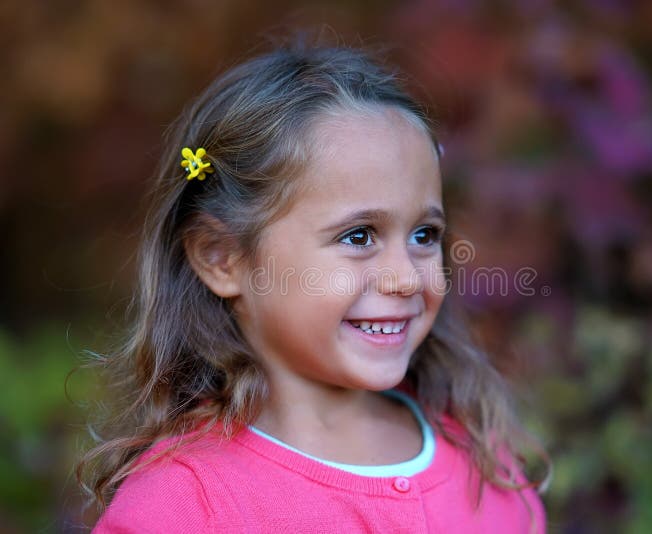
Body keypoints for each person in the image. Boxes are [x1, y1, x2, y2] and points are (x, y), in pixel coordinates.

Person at [79, 37, 549, 533]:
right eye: (359, 235)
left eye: (423, 235)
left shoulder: (480, 460)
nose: (407, 276)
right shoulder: (183, 504)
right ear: (222, 258)